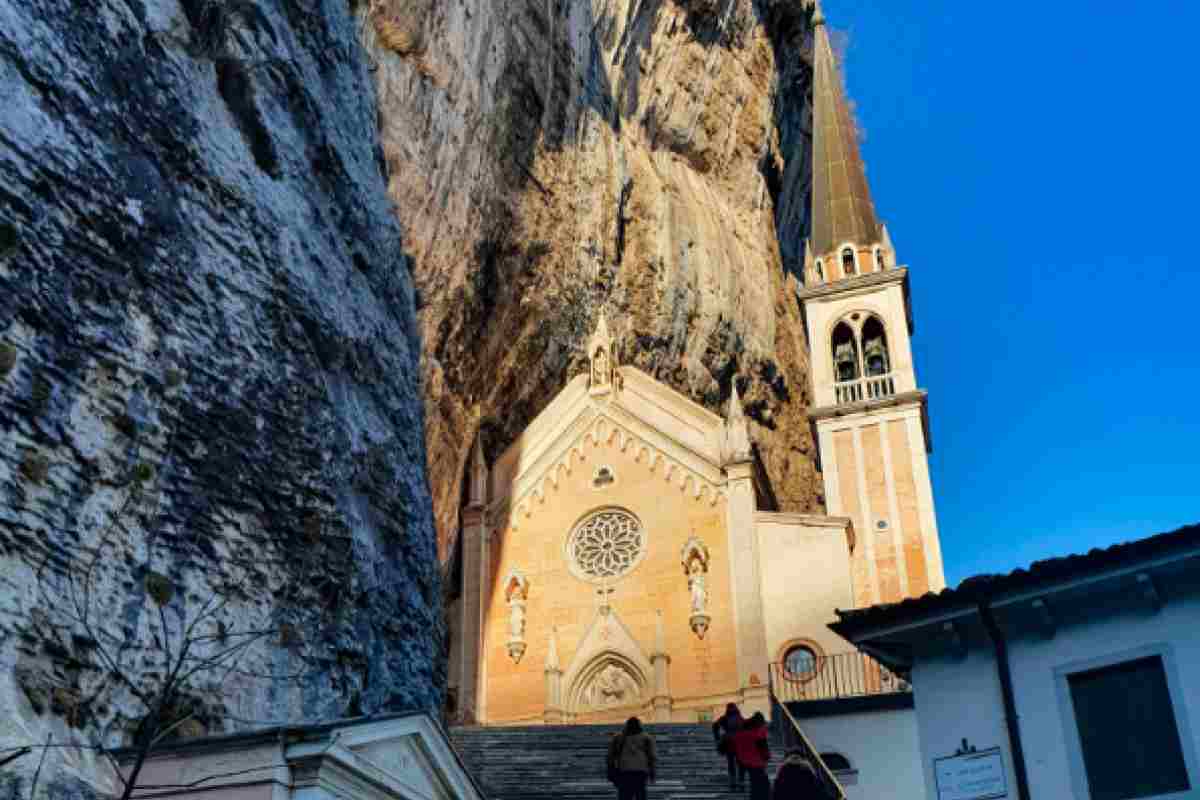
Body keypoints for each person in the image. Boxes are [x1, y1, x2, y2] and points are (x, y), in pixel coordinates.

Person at [608, 716, 656, 800]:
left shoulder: (618, 737)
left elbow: (611, 756)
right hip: (640, 770)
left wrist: (611, 770)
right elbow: (651, 756)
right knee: (640, 794)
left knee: (625, 795)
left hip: (624, 770)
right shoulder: (646, 738)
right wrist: (652, 771)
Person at [733, 712, 771, 800]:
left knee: (755, 783)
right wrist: (766, 757)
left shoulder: (742, 729)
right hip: (756, 761)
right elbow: (763, 746)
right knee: (763, 783)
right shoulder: (757, 732)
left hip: (744, 759)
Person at [712, 702, 746, 790]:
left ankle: (733, 781)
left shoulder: (725, 718)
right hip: (740, 743)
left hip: (729, 742)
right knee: (740, 763)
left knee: (731, 763)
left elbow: (715, 725)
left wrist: (717, 738)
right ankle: (741, 781)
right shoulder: (740, 718)